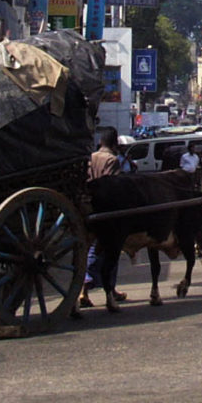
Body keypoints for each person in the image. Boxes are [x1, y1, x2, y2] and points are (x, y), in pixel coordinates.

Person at [80, 129, 126, 308]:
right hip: (105, 209)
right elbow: (112, 186)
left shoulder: (91, 157)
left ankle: (105, 290)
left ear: (100, 142)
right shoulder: (111, 160)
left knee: (93, 248)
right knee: (108, 250)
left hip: (88, 205)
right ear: (114, 144)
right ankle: (91, 287)